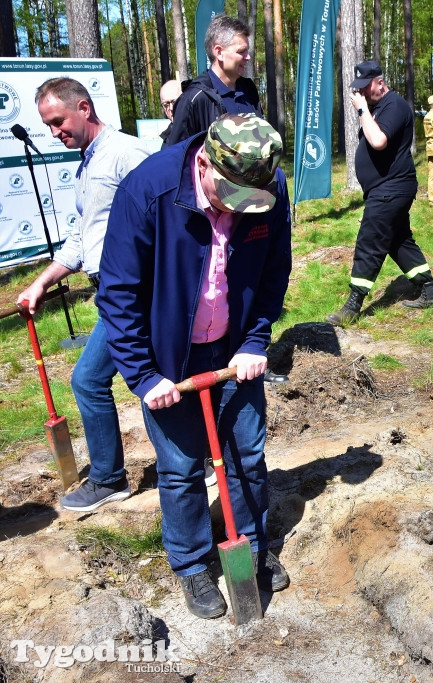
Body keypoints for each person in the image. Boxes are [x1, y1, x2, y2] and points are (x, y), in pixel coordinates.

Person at [97, 114, 292, 619]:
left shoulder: (265, 186)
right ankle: (191, 566)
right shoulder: (150, 190)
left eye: (252, 196)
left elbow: (274, 270)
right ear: (204, 162)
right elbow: (118, 292)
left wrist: (254, 340)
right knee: (181, 469)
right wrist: (143, 375)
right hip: (169, 358)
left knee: (246, 454)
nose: (240, 207)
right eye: (231, 194)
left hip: (234, 349)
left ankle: (250, 545)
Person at [16, 78, 150, 513]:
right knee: (146, 379)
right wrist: (42, 282)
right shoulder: (86, 165)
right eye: (48, 125)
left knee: (93, 379)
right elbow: (80, 242)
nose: (54, 131)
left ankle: (112, 478)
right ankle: (193, 461)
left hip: (133, 290)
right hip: (109, 291)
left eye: (58, 121)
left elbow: (164, 217)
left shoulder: (125, 155)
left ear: (85, 108)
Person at [327, 61, 433, 326]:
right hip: (386, 188)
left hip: (392, 187)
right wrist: (366, 110)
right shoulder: (378, 107)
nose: (362, 94)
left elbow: (378, 141)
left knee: (370, 240)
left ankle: (353, 304)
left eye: (366, 88)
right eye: (359, 90)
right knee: (397, 240)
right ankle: (429, 291)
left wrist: (363, 111)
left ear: (380, 82)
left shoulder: (394, 106)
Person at [162, 15, 261, 148]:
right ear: (219, 52)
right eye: (241, 51)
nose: (248, 57)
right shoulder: (194, 98)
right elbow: (177, 158)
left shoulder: (249, 89)